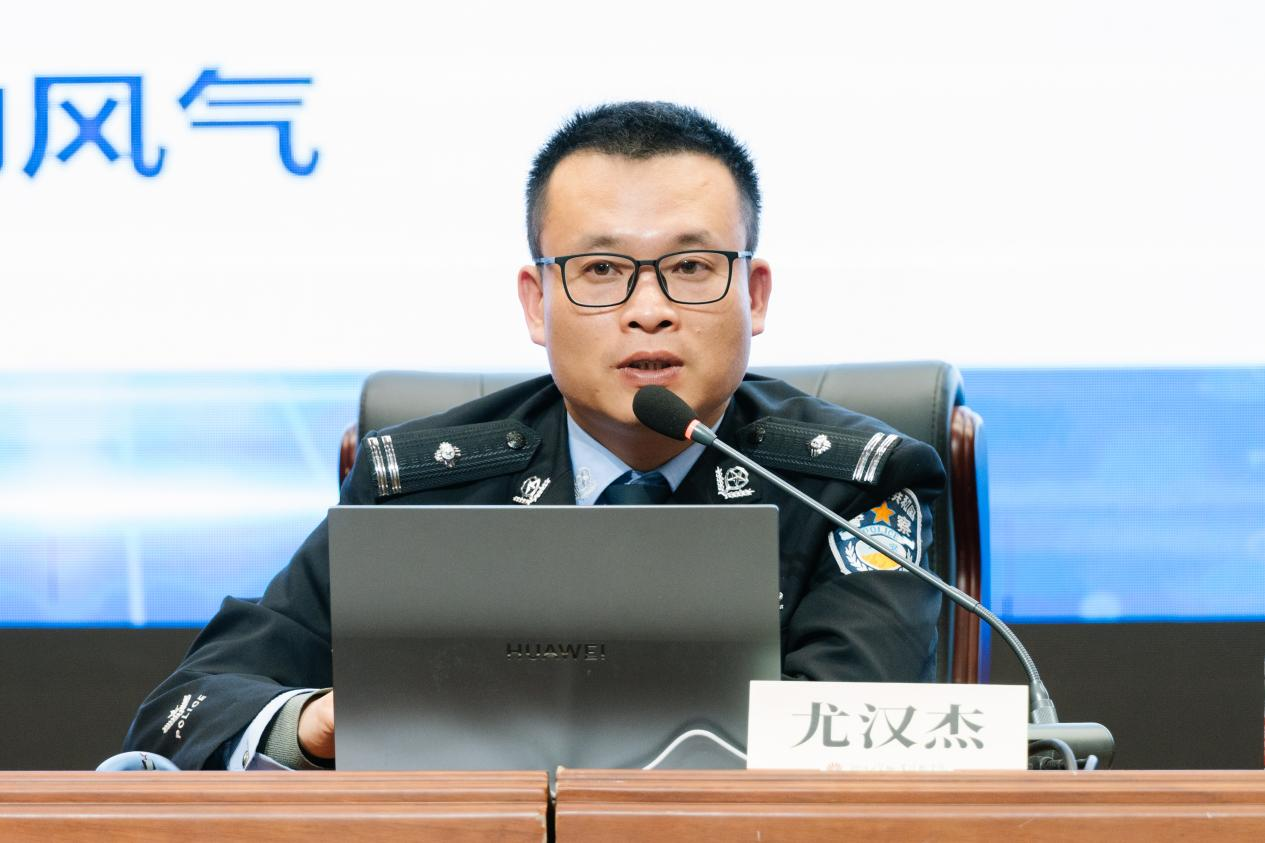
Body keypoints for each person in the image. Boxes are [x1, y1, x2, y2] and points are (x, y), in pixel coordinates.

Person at [124, 101, 945, 770]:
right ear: (534, 302)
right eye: (600, 270)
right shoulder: (420, 487)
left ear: (754, 295)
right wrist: (318, 722)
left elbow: (859, 734)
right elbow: (190, 707)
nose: (648, 309)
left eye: (691, 268)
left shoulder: (855, 485)